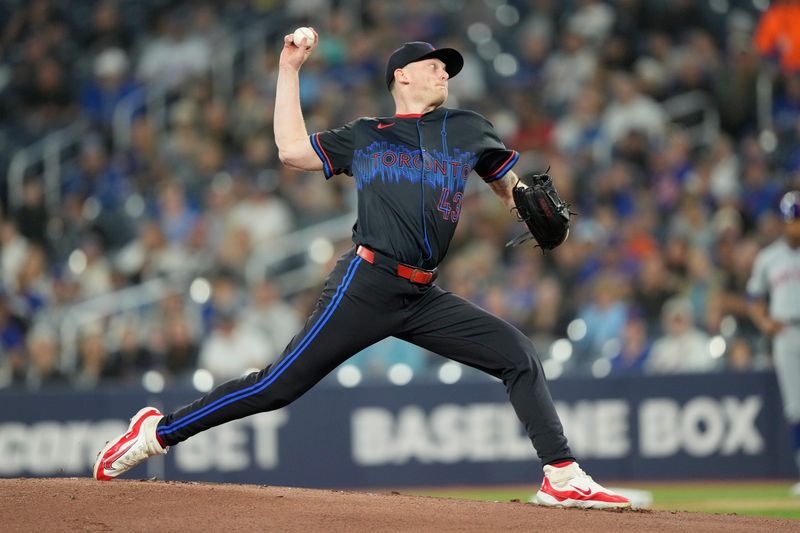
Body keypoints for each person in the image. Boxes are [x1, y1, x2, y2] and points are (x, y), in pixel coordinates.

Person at [93, 30, 630, 510]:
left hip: (423, 295)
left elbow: (503, 181)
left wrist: (523, 199)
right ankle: (156, 434)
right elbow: (290, 151)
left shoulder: (467, 128)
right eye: (434, 64)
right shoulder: (367, 133)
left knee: (517, 355)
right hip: (366, 283)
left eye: (448, 67)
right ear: (401, 75)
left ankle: (561, 474)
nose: (444, 71)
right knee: (278, 386)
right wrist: (289, 69)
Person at [747, 190, 800, 497]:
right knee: (795, 407)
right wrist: (765, 323)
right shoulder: (769, 257)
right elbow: (754, 298)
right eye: (792, 220)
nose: (795, 226)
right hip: (786, 333)